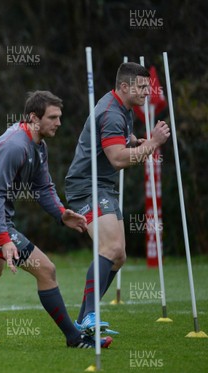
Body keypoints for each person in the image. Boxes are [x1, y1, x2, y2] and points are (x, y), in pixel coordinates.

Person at [0, 91, 113, 349]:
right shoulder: (15, 146)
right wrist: (4, 239)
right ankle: (74, 339)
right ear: (34, 117)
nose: (58, 122)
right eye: (53, 117)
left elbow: (43, 187)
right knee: (47, 270)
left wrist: (60, 213)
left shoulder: (38, 145)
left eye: (59, 117)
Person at [65, 62, 171, 334]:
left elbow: (120, 140)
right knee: (110, 249)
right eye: (142, 87)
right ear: (124, 86)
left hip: (102, 186)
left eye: (149, 87)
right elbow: (117, 160)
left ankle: (82, 320)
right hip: (88, 186)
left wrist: (135, 141)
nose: (147, 92)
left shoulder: (121, 107)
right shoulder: (113, 112)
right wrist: (153, 143)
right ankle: (90, 315)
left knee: (119, 255)